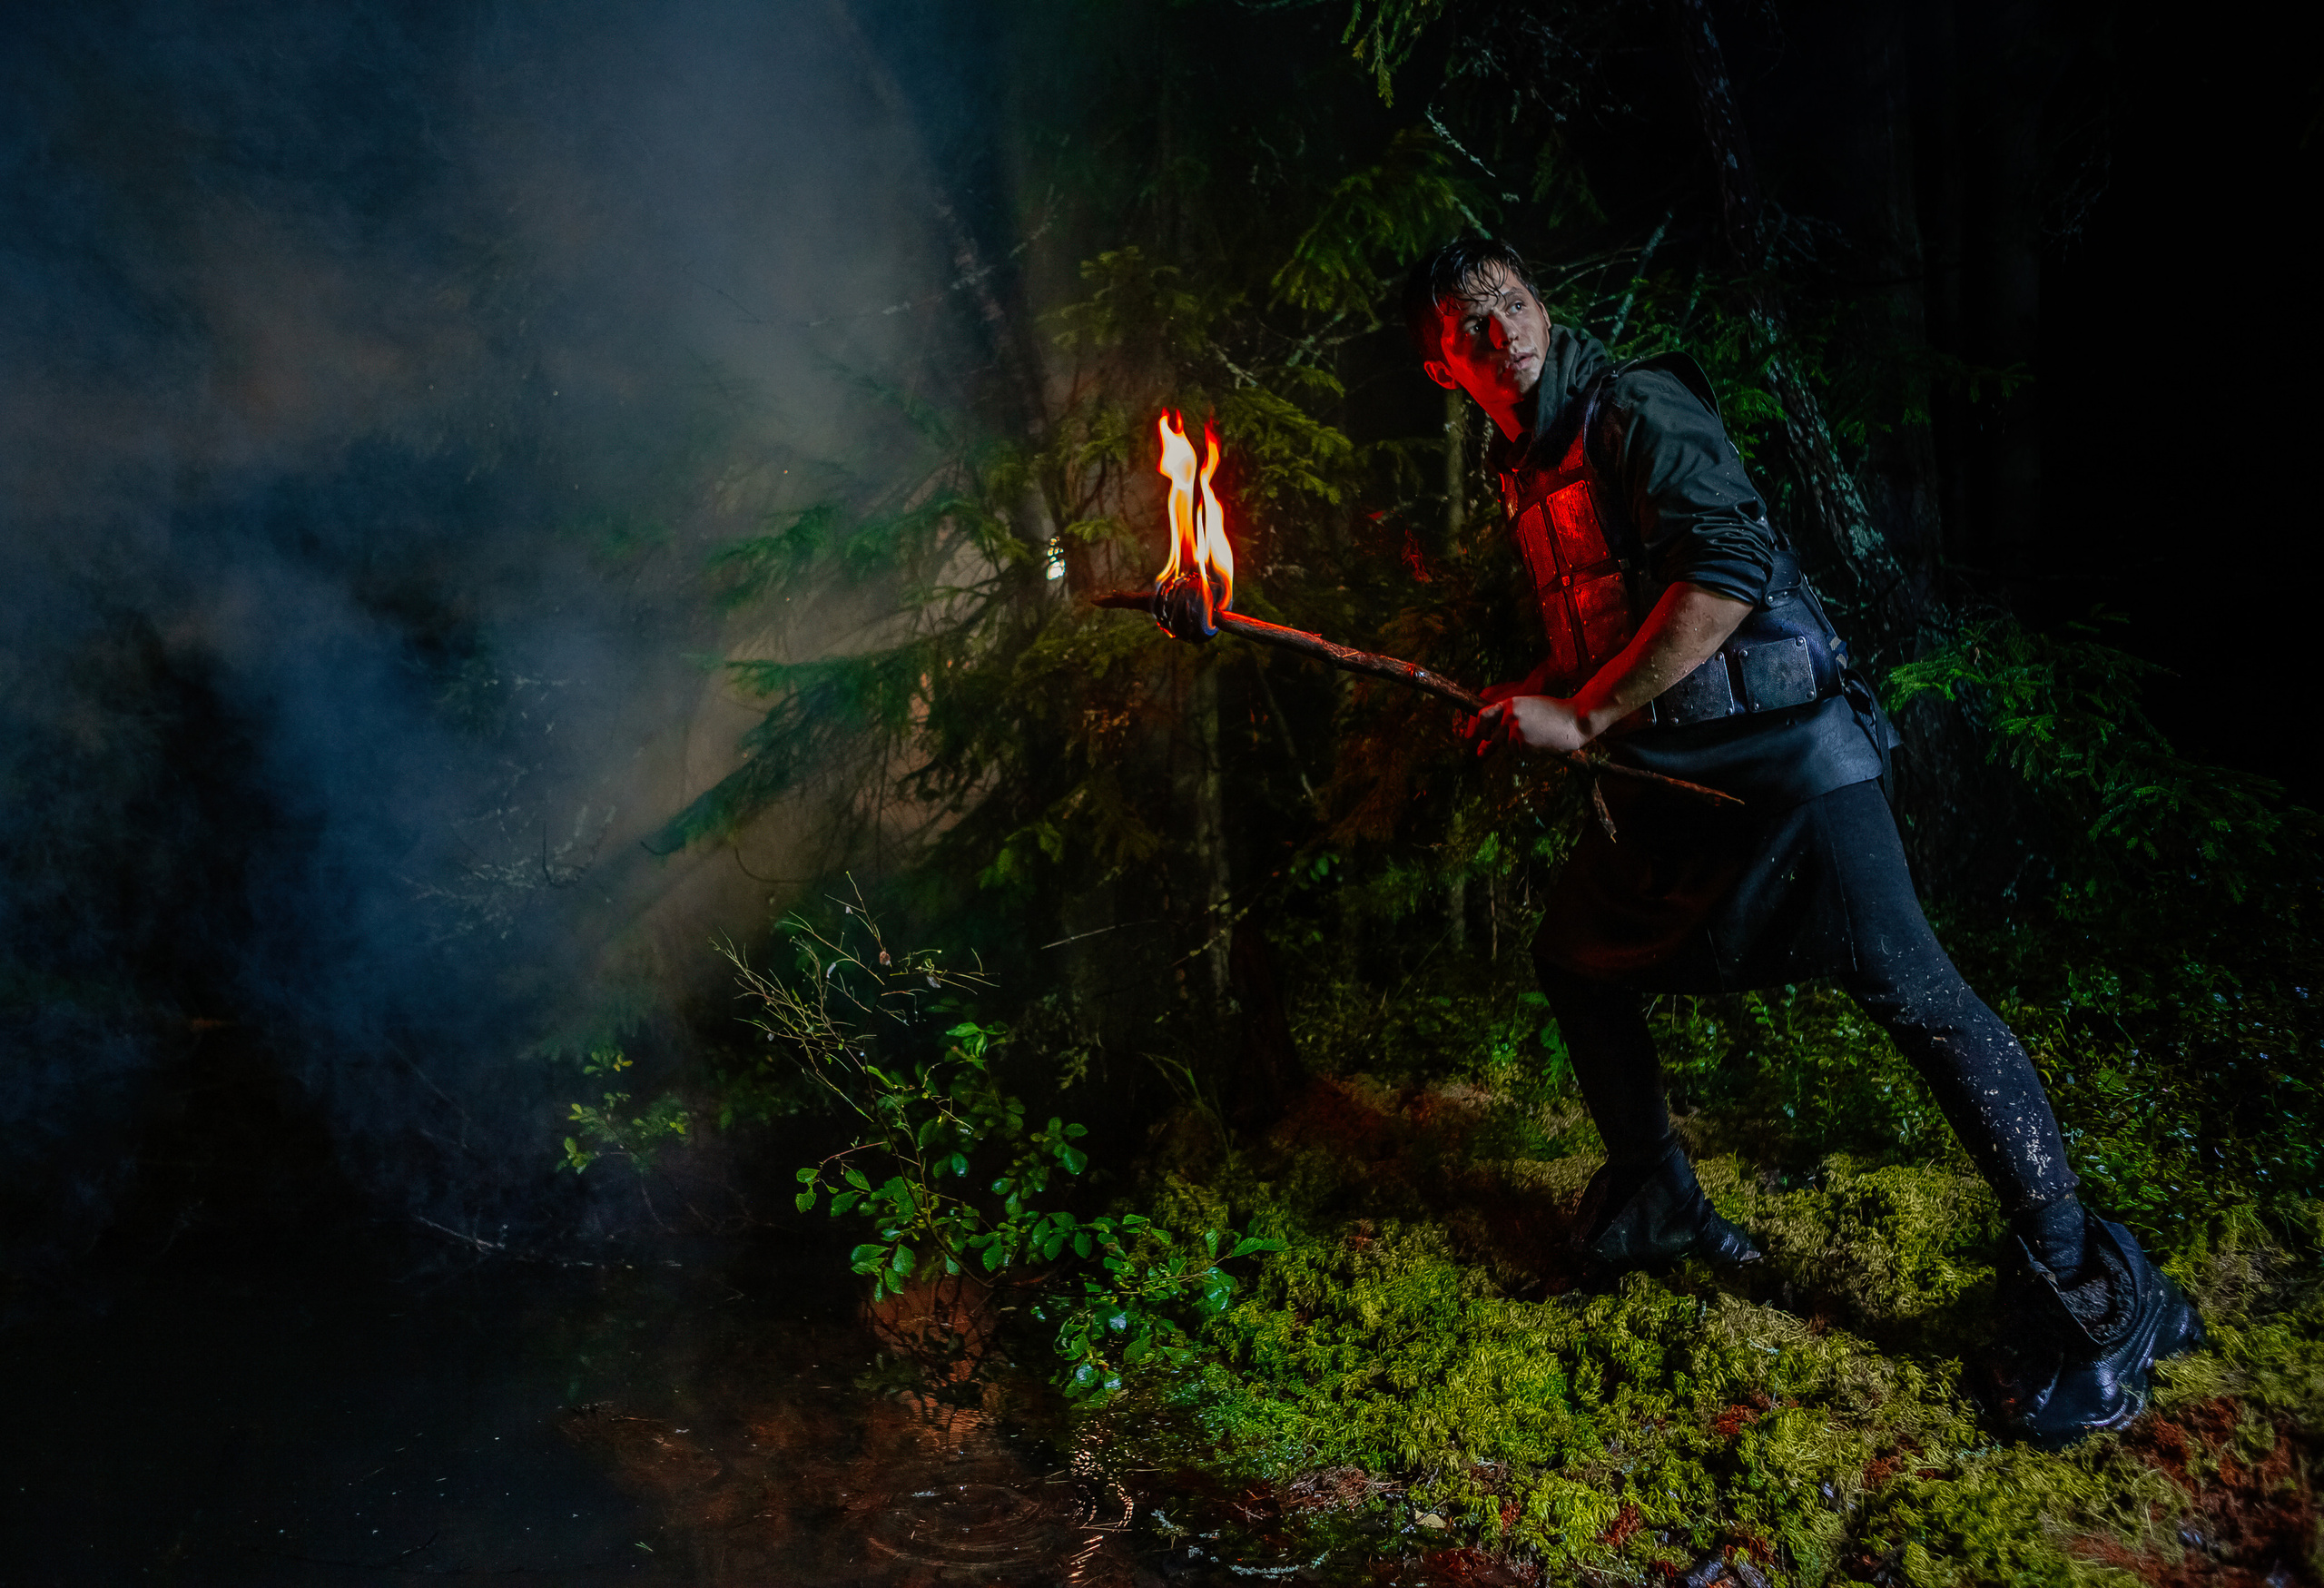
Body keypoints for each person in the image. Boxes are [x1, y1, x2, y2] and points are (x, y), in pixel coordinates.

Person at [1401, 235, 2201, 1447]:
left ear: (1543, 303)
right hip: (1682, 783)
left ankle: (2085, 1282)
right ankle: (1658, 1197)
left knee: (1918, 990)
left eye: (1510, 298)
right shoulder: (1529, 461)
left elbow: (1726, 572)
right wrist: (1540, 697)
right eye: (1468, 323)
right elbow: (1610, 611)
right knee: (1576, 955)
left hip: (1791, 759)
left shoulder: (1635, 407)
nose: (1498, 323)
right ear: (1440, 366)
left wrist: (1588, 713)